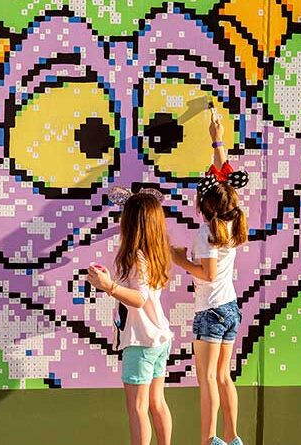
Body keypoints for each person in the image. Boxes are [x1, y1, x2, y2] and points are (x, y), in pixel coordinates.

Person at [171, 113, 249, 445]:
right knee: (224, 377)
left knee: (207, 381)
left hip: (211, 311)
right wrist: (217, 140)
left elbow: (208, 273)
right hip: (230, 307)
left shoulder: (206, 234)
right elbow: (226, 181)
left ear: (204, 206)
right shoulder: (231, 220)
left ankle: (208, 440)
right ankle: (232, 438)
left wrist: (180, 260)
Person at [87, 189, 174, 445]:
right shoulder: (154, 252)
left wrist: (109, 286)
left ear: (132, 223)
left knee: (137, 408)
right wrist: (110, 282)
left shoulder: (137, 256)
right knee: (156, 402)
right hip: (158, 338)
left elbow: (139, 298)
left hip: (141, 341)